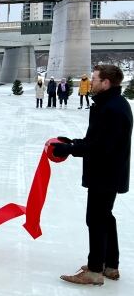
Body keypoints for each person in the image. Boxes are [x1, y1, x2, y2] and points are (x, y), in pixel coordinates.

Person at [51, 64, 132, 285]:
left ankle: (95, 270)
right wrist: (73, 143)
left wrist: (69, 150)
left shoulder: (111, 109)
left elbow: (100, 147)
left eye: (95, 79)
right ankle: (109, 265)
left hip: (105, 173)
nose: (91, 82)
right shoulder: (113, 104)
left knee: (96, 219)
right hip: (109, 172)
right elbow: (98, 140)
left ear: (106, 83)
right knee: (105, 218)